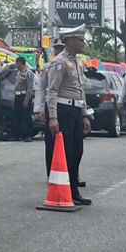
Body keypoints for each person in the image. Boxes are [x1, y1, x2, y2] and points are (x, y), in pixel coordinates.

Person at [42, 25, 92, 205]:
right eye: (80, 40)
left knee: (78, 149)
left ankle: (73, 185)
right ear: (70, 41)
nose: (83, 43)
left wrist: (84, 114)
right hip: (63, 110)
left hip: (76, 109)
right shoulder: (59, 62)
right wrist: (53, 117)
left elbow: (80, 90)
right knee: (66, 150)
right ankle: (68, 190)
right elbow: (52, 90)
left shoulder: (77, 62)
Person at [12, 55, 36, 141]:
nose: (16, 65)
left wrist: (27, 99)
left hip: (24, 95)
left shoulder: (28, 73)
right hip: (18, 96)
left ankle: (28, 135)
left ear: (20, 63)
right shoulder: (18, 73)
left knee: (26, 116)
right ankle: (18, 134)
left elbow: (30, 87)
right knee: (17, 116)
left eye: (17, 63)